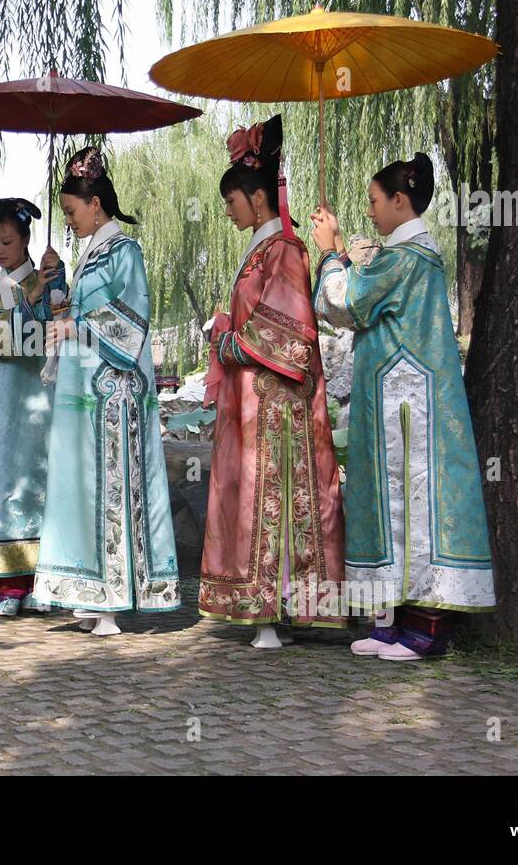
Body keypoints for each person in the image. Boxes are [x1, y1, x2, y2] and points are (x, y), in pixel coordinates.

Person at [311, 152, 496, 661]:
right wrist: (346, 254)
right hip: (391, 401)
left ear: (400, 200)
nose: (370, 211)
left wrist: (330, 253)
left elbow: (344, 303)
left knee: (412, 507)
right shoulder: (403, 255)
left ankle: (427, 627)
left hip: (409, 406)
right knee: (386, 503)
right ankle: (388, 621)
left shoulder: (409, 257)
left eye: (375, 201)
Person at [198, 117, 347, 648]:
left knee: (274, 498)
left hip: (278, 403)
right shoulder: (263, 250)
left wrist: (226, 343)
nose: (229, 211)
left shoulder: (285, 249)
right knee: (254, 495)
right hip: (254, 400)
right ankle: (265, 605)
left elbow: (287, 332)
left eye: (232, 202)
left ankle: (277, 609)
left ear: (257, 199)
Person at [32, 147, 180, 635]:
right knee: (87, 489)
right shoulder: (93, 254)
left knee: (113, 490)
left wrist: (78, 327)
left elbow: (134, 320)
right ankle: (96, 592)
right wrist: (56, 283)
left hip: (115, 394)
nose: (69, 221)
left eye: (72, 211)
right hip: (87, 394)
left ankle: (115, 602)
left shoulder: (125, 252)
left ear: (96, 205)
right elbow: (74, 318)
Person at [0, 198, 65, 616]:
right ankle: (4, 585)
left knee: (41, 485)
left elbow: (53, 334)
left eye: (7, 240)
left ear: (25, 241)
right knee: (0, 486)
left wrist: (50, 290)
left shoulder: (53, 280)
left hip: (39, 397)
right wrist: (30, 302)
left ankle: (44, 580)